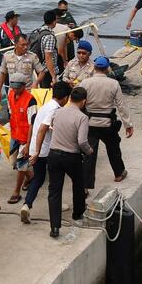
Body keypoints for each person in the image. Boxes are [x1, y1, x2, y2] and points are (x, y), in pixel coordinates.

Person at [81, 56, 134, 190]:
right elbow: (121, 105)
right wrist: (128, 125)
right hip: (107, 123)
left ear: (94, 67)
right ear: (107, 69)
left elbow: (79, 102)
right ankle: (119, 173)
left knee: (89, 154)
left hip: (90, 123)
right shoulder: (113, 84)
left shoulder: (85, 83)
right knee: (113, 149)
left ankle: (86, 185)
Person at [46, 87, 93, 238]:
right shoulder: (82, 118)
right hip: (71, 156)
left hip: (53, 154)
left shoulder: (58, 112)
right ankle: (77, 213)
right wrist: (89, 151)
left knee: (54, 190)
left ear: (70, 98)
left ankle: (55, 227)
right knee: (78, 183)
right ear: (84, 101)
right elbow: (82, 141)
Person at [23, 81, 70, 224]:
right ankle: (57, 204)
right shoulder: (55, 109)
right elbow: (43, 128)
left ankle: (27, 204)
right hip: (45, 150)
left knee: (38, 178)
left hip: (36, 148)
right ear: (66, 98)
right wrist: (37, 152)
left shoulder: (46, 106)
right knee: (56, 179)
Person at [6, 73, 39, 205]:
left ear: (24, 86)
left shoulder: (31, 100)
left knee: (20, 165)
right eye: (13, 87)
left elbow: (32, 124)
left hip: (25, 137)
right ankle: (30, 176)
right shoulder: (10, 96)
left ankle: (16, 192)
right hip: (15, 135)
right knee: (14, 162)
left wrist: (28, 144)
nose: (15, 90)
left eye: (17, 88)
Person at [0, 34, 46, 99]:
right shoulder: (7, 56)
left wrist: (36, 82)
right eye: (22, 45)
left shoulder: (32, 56)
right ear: (15, 45)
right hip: (12, 92)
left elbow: (42, 72)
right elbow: (3, 74)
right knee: (12, 109)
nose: (25, 47)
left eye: (27, 44)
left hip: (28, 91)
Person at [28, 10, 60, 87]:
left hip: (39, 68)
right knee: (48, 93)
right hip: (47, 71)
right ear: (54, 21)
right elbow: (48, 57)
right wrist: (53, 76)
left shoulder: (38, 31)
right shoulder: (49, 36)